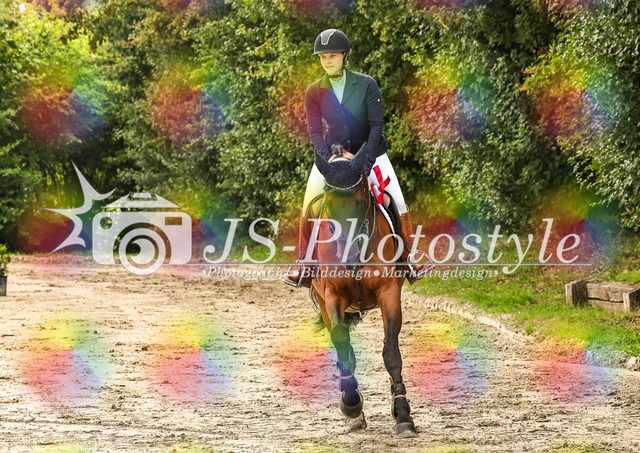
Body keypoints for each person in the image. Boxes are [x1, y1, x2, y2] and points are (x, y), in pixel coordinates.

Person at [284, 28, 429, 288]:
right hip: (332, 157)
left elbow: (376, 126)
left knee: (396, 200)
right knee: (308, 205)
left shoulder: (366, 84)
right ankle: (305, 264)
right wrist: (330, 161)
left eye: (332, 55)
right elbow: (314, 131)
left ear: (345, 55)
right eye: (323, 57)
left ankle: (410, 259)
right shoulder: (313, 91)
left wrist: (365, 161)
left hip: (371, 152)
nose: (327, 61)